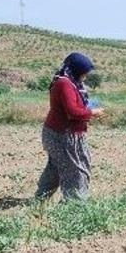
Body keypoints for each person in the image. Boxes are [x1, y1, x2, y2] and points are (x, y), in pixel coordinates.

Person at [35, 52, 104, 200]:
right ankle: (75, 203)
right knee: (75, 169)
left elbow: (76, 109)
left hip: (62, 133)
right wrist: (92, 112)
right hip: (61, 135)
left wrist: (88, 114)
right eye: (84, 72)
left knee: (56, 167)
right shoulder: (65, 84)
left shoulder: (72, 83)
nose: (86, 76)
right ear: (77, 70)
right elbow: (73, 112)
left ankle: (41, 197)